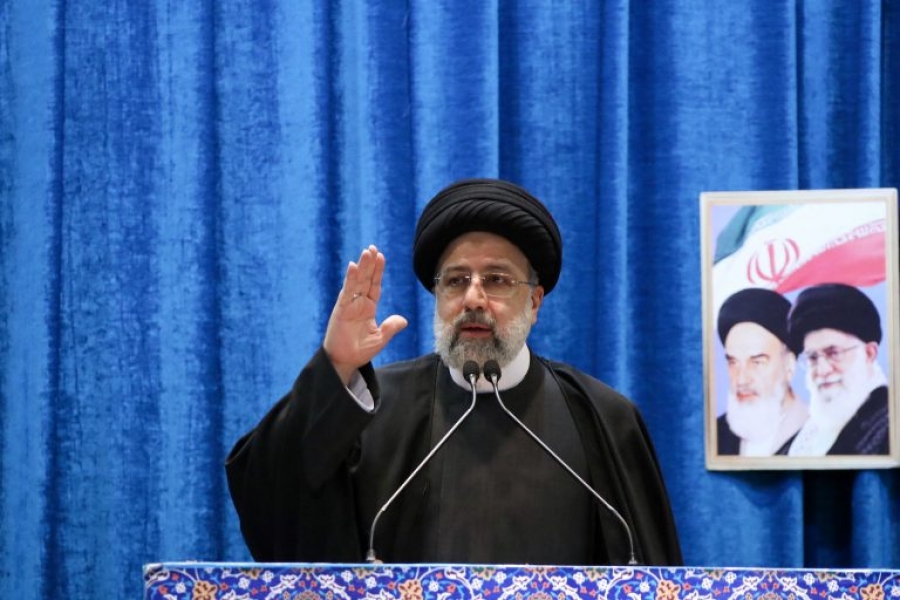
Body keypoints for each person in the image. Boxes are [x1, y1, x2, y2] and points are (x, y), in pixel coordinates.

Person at [225, 178, 682, 566]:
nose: (473, 299)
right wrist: (336, 367)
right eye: (456, 280)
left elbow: (653, 577)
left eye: (497, 279)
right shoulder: (374, 408)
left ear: (535, 301)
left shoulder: (602, 418)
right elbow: (271, 503)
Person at [786, 283, 889, 456]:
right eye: (812, 357)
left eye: (834, 353)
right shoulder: (805, 437)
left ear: (869, 353)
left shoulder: (888, 426)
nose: (822, 370)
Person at [715, 288, 808, 456]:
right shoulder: (715, 436)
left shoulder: (819, 436)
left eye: (757, 362)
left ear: (789, 365)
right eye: (733, 362)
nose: (741, 379)